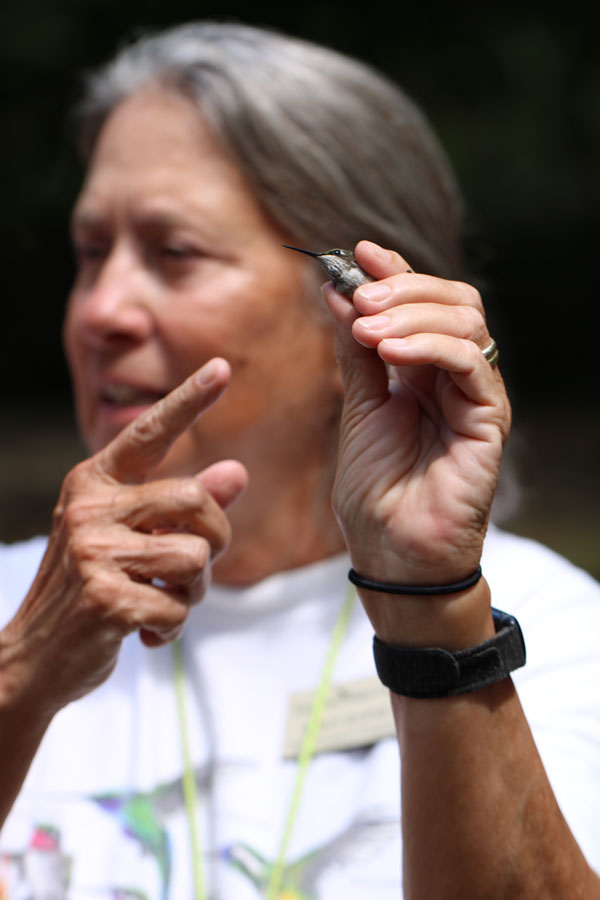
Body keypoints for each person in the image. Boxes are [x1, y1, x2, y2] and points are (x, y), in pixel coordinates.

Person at [0, 20, 599, 900]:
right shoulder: (18, 613)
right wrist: (22, 671)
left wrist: (434, 607)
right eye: (92, 253)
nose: (102, 309)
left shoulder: (556, 630)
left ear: (363, 316)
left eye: (175, 253)